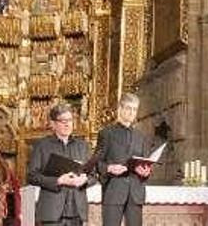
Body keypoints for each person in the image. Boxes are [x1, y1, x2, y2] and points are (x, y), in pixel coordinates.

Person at [26, 103, 94, 226]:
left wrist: (84, 180)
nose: (67, 124)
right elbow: (31, 176)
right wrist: (59, 181)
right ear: (53, 124)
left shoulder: (83, 146)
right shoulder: (42, 145)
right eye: (63, 121)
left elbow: (94, 175)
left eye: (70, 120)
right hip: (51, 212)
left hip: (76, 211)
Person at [92, 93, 152, 226]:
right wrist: (109, 168)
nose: (132, 112)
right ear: (120, 108)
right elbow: (97, 162)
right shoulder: (106, 133)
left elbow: (144, 163)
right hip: (113, 191)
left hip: (135, 193)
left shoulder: (141, 137)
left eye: (135, 109)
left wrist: (146, 172)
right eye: (129, 108)